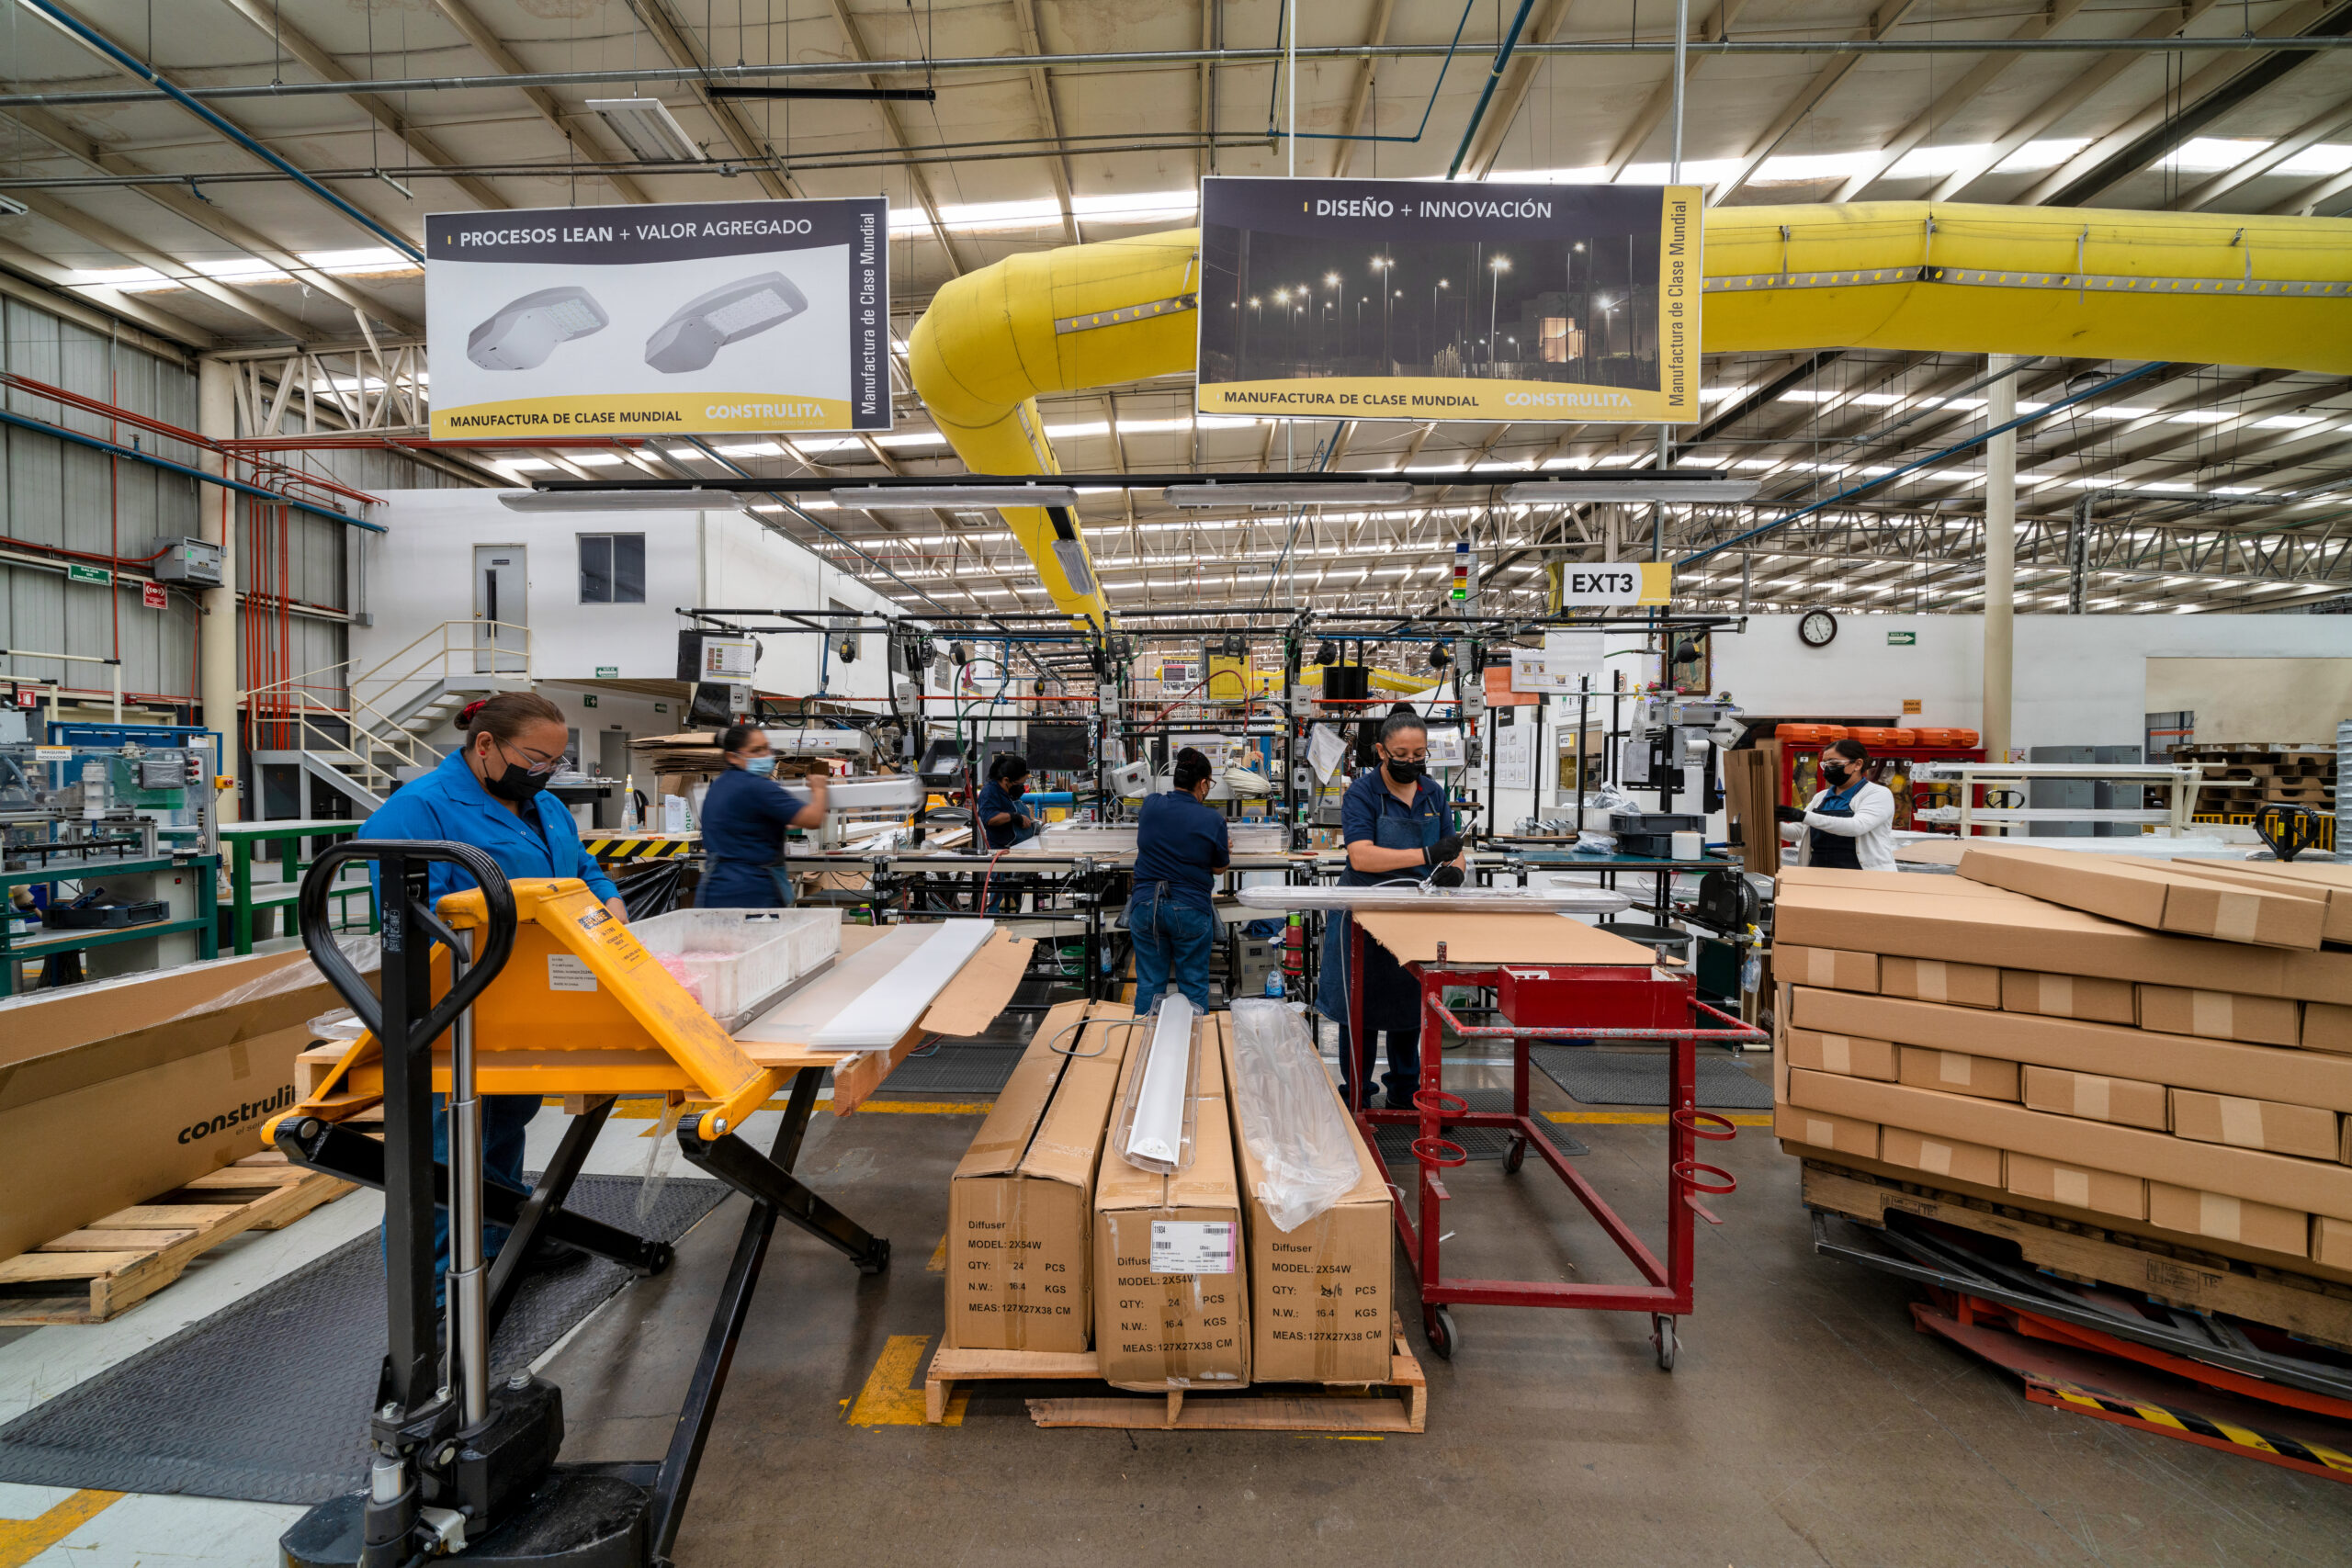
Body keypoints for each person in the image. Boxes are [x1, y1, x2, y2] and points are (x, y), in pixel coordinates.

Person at [361, 691, 625, 1280]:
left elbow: (581, 869)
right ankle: (431, 1293)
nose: (545, 772)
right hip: (456, 1007)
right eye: (536, 759)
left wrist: (608, 901)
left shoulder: (544, 805)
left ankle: (502, 1237)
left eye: (555, 762)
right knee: (446, 1152)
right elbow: (414, 918)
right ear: (485, 744)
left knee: (505, 1125)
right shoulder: (420, 809)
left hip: (525, 1005)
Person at [1315, 712, 1466, 1110]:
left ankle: (1404, 1094)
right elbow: (1361, 856)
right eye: (1401, 754)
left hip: (1413, 917)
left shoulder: (1433, 794)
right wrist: (1426, 854)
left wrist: (1455, 870)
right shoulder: (1362, 793)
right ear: (1382, 751)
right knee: (1359, 1011)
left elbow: (1454, 850)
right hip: (1363, 917)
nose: (1411, 762)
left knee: (1407, 1010)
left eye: (1419, 754)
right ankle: (1358, 1097)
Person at [1127, 747, 1230, 1014]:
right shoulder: (1212, 820)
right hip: (1189, 909)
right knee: (1193, 985)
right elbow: (1220, 868)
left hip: (1146, 905)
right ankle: (1194, 1037)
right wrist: (1220, 845)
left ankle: (1143, 1036)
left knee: (1149, 984)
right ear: (1203, 784)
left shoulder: (1151, 805)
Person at [697, 724, 831, 908]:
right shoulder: (758, 787)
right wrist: (820, 789)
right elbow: (814, 819)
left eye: (767, 748)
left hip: (715, 888)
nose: (766, 755)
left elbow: (748, 824)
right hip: (751, 891)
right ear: (732, 756)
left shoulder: (720, 785)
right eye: (756, 750)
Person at [1777, 736, 1897, 872]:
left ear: (1858, 764)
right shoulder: (1821, 797)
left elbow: (1857, 826)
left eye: (1834, 764)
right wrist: (1770, 821)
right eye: (1825, 764)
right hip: (1819, 873)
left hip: (1862, 875)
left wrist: (1803, 816)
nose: (1828, 769)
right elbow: (1796, 832)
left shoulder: (1877, 794)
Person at [976, 752, 1036, 852]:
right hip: (1003, 850)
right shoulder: (990, 792)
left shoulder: (1007, 791)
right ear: (1006, 780)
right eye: (1020, 784)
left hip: (1020, 847)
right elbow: (991, 818)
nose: (1022, 788)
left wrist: (1031, 820)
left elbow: (1010, 811)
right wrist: (1015, 817)